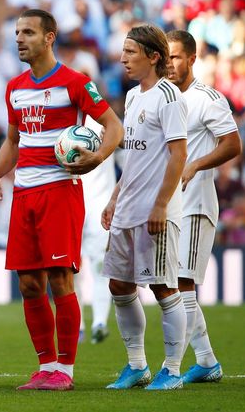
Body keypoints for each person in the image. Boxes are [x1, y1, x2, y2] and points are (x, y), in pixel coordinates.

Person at [0, 8, 124, 391]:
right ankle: (45, 366)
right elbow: (12, 142)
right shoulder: (14, 87)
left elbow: (114, 126)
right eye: (16, 32)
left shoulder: (75, 82)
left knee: (61, 279)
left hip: (60, 192)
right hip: (25, 194)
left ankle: (66, 369)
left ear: (49, 37)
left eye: (27, 32)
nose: (19, 39)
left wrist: (97, 157)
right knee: (29, 284)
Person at [102, 24, 188, 391]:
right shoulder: (135, 96)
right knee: (119, 286)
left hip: (156, 211)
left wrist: (161, 206)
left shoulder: (169, 97)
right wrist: (114, 196)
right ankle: (137, 366)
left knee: (164, 288)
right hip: (127, 208)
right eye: (123, 52)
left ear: (153, 56)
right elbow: (135, 158)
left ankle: (171, 369)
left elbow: (178, 155)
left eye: (130, 52)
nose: (123, 59)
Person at [166, 30, 241, 382]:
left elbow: (232, 144)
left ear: (192, 59)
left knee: (182, 284)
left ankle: (172, 368)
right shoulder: (161, 99)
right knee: (175, 286)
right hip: (167, 205)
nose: (169, 64)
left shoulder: (208, 99)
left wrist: (196, 164)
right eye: (164, 57)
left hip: (195, 204)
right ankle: (207, 361)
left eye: (176, 57)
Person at [76, 116, 116, 345]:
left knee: (100, 264)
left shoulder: (107, 122)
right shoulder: (61, 117)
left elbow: (127, 153)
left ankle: (99, 322)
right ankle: (79, 325)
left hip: (100, 204)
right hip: (71, 201)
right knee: (71, 267)